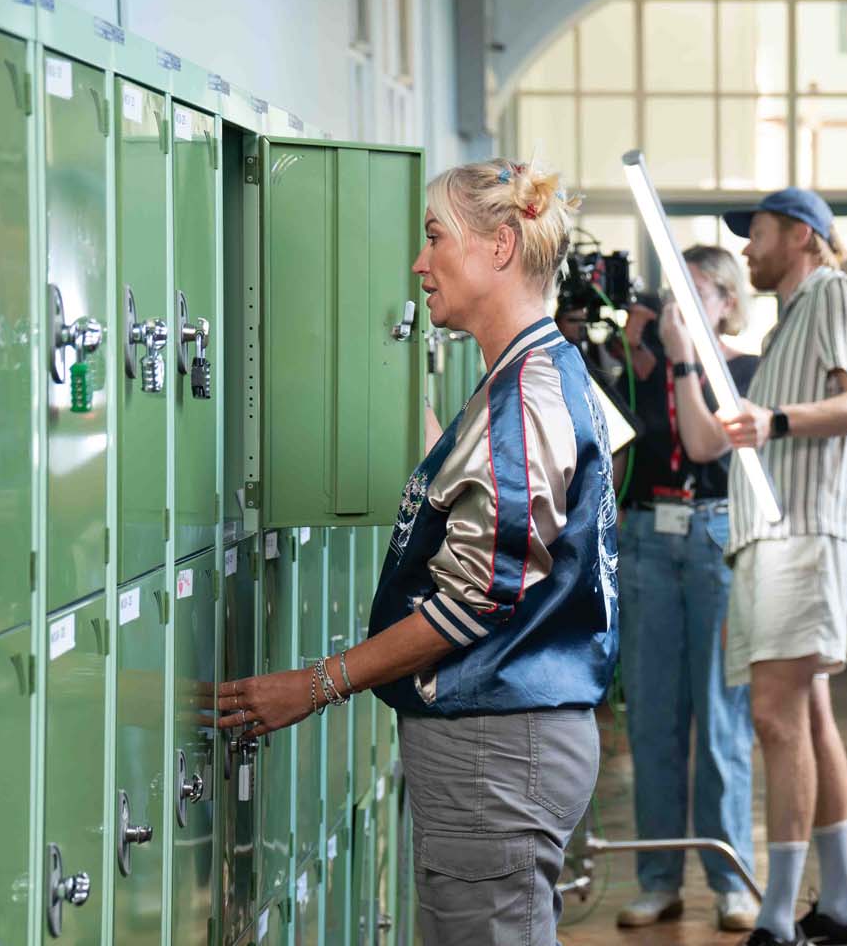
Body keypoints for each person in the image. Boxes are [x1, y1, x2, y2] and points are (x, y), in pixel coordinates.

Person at [216, 158, 618, 945]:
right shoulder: (531, 373)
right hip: (505, 740)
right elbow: (468, 487)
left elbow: (476, 597)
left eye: (435, 238)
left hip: (496, 746)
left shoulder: (525, 396)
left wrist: (315, 685)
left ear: (500, 246)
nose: (418, 263)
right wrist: (371, 365)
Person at [712, 187, 847, 946]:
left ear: (801, 236)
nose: (746, 249)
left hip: (802, 532)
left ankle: (778, 920)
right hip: (778, 533)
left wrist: (774, 420)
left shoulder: (834, 294)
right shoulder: (790, 321)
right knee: (807, 716)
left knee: (774, 718)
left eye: (756, 233)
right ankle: (843, 908)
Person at [610, 247, 761, 933]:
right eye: (675, 291)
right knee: (652, 719)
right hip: (646, 539)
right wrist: (633, 356)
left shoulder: (744, 371)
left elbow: (710, 445)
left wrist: (681, 360)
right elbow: (618, 446)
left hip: (713, 538)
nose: (681, 305)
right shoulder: (643, 369)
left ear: (727, 302)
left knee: (721, 717)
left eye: (698, 292)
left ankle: (732, 881)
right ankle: (658, 879)